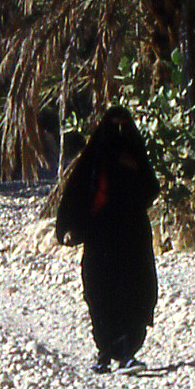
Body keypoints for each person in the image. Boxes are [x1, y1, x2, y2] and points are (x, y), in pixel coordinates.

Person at [55, 105, 160, 374]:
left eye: (123, 127)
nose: (118, 134)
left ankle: (126, 352)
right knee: (99, 292)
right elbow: (77, 196)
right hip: (100, 237)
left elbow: (151, 189)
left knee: (133, 290)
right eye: (114, 127)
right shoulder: (93, 163)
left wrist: (134, 169)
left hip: (132, 236)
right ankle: (104, 351)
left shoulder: (135, 158)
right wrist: (69, 228)